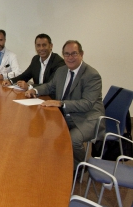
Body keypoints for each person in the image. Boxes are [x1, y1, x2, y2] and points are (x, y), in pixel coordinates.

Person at [25, 40, 105, 170]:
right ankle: (58, 163)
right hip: (66, 113)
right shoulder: (62, 71)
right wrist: (35, 90)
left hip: (87, 117)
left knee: (73, 140)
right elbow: (50, 86)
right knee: (41, 127)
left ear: (81, 54)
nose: (70, 57)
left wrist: (61, 103)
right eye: (67, 54)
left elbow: (87, 104)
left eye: (74, 54)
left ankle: (78, 167)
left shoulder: (92, 75)